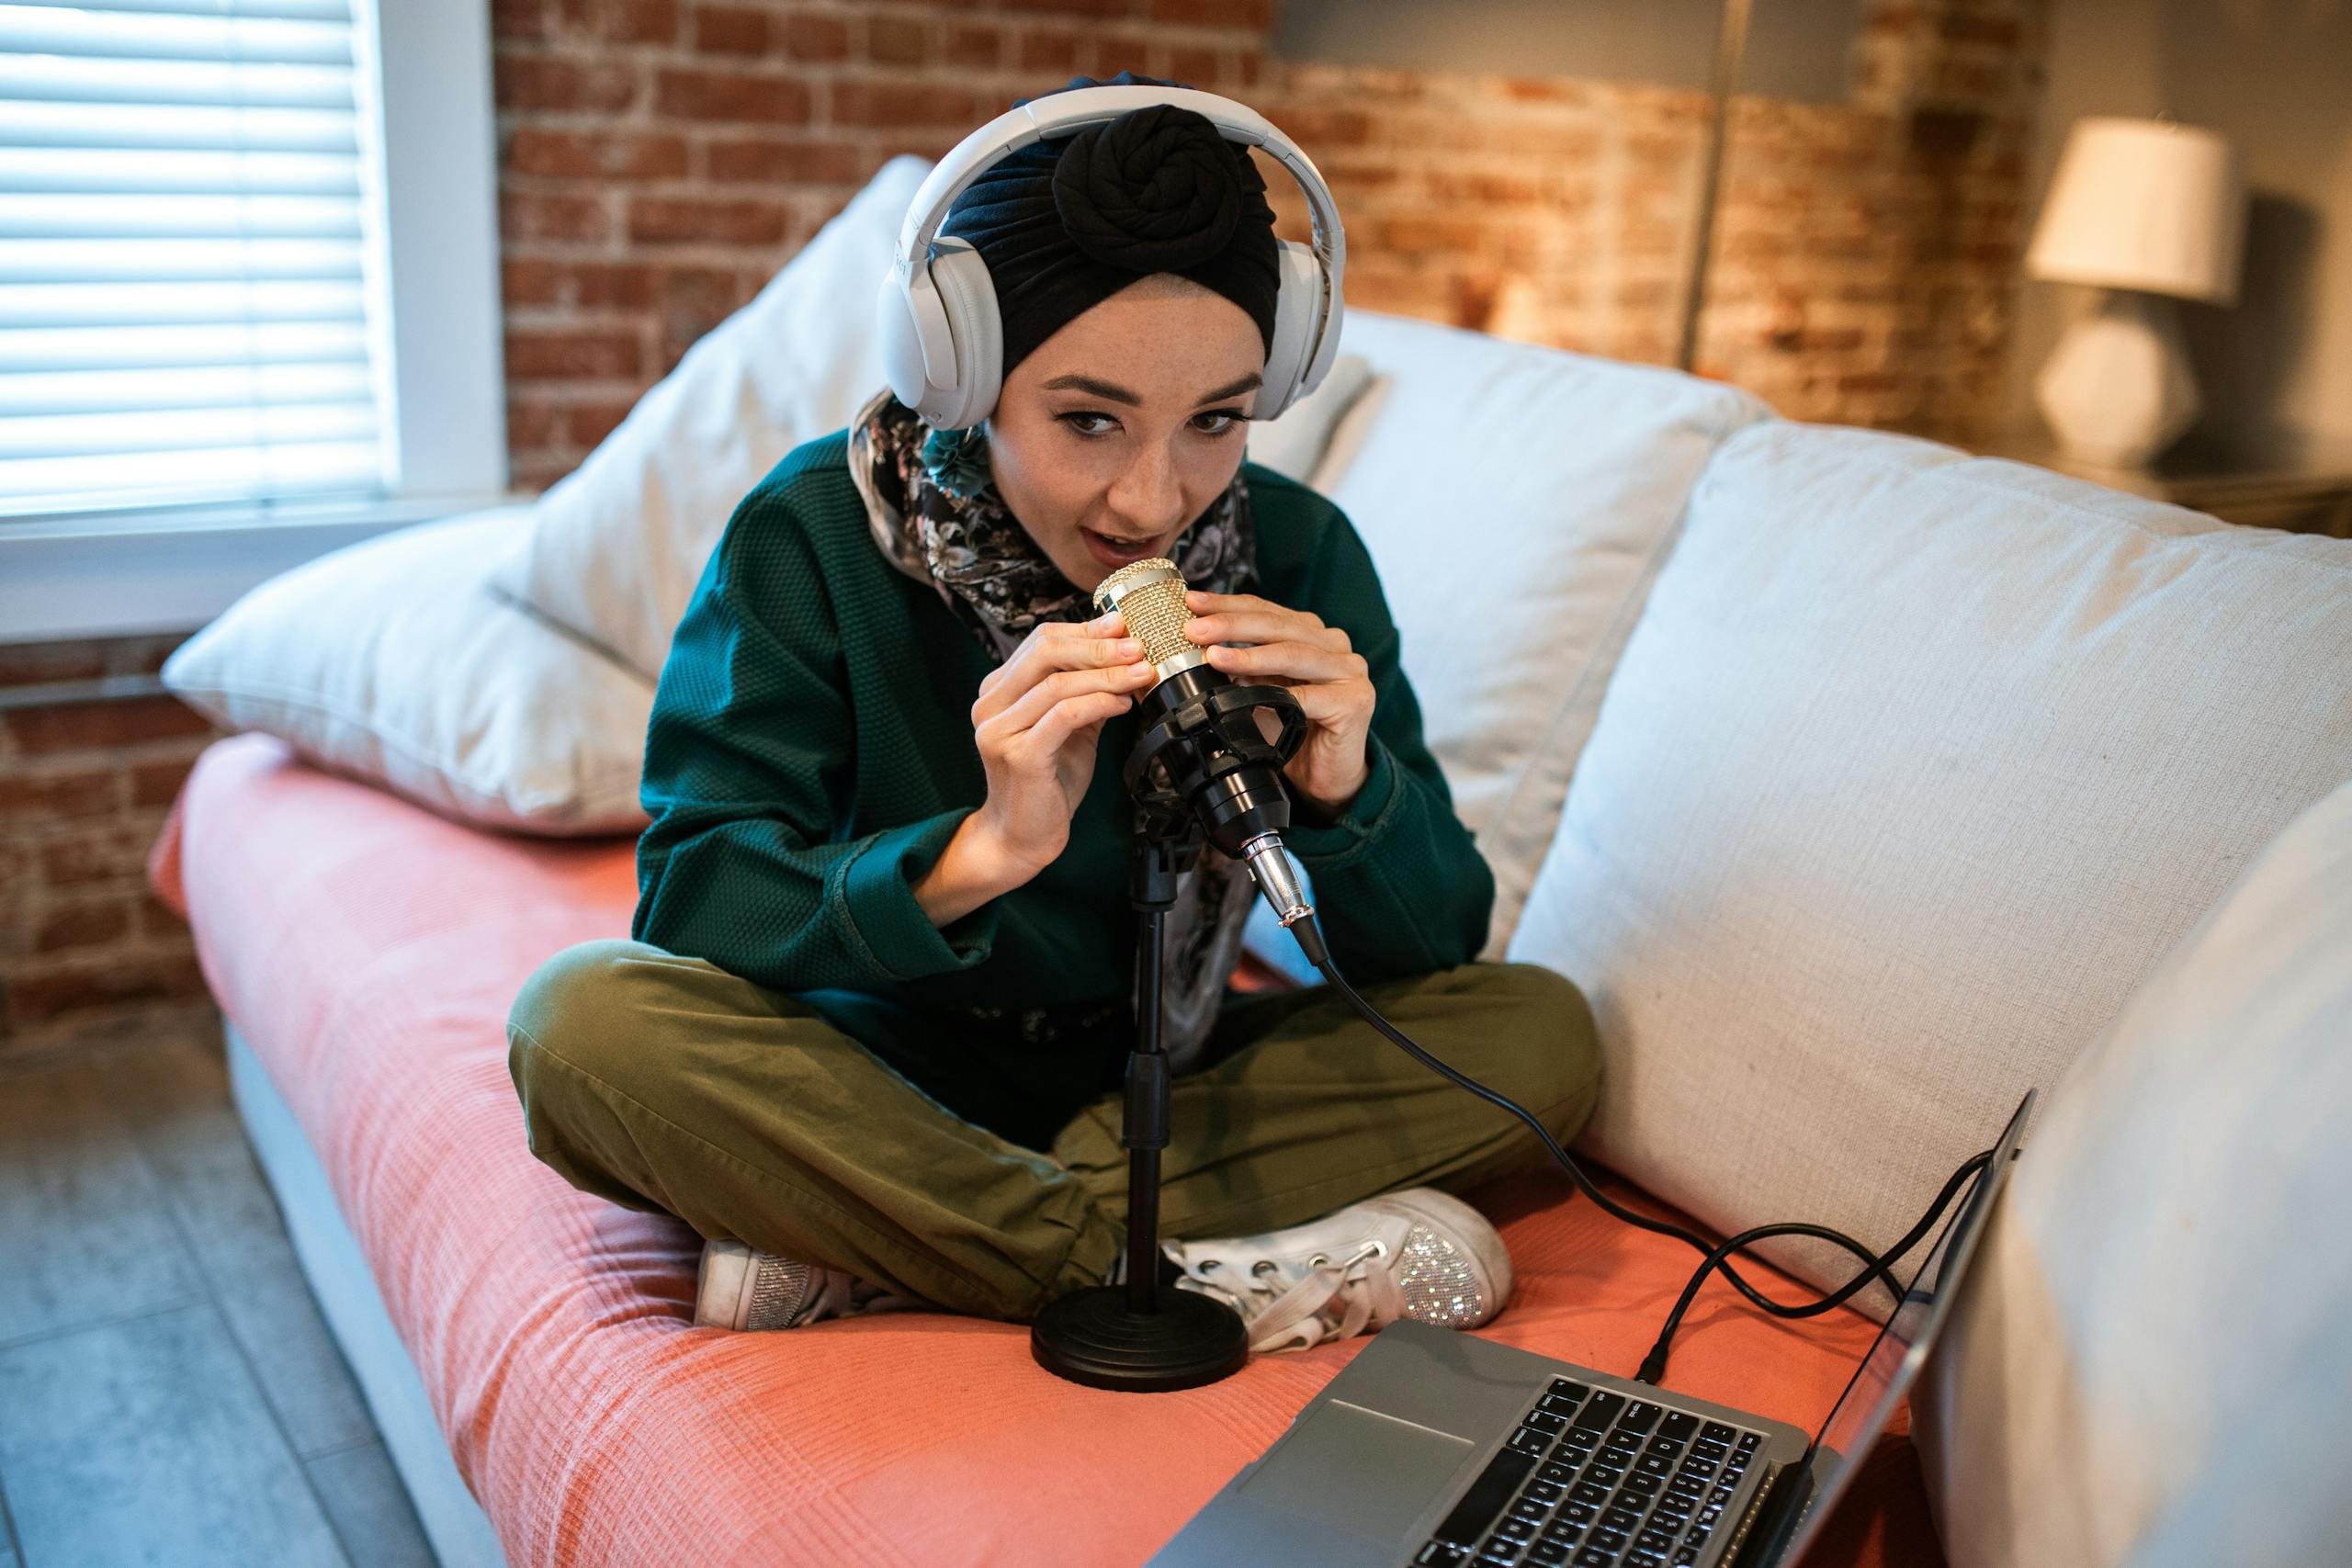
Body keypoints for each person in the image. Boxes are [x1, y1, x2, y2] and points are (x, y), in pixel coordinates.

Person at [505, 77, 1601, 1353]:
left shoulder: (1299, 557)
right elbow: (695, 900)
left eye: (1215, 421)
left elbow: (1437, 948)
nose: (1154, 500)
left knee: (1546, 1038)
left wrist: (1352, 787)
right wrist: (983, 854)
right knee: (578, 1025)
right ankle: (1164, 1266)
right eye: (1089, 420)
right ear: (962, 376)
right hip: (871, 1076)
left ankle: (904, 1242)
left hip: (1170, 1083)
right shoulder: (811, 538)